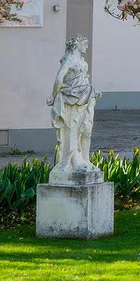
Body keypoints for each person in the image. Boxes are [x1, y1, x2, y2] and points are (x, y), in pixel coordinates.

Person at [48, 34, 100, 179]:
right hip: (71, 99)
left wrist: (93, 92)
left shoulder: (81, 61)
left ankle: (85, 160)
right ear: (77, 44)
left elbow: (84, 79)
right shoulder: (69, 59)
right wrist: (53, 96)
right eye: (85, 44)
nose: (87, 47)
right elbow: (59, 78)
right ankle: (74, 161)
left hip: (86, 97)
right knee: (73, 131)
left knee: (86, 130)